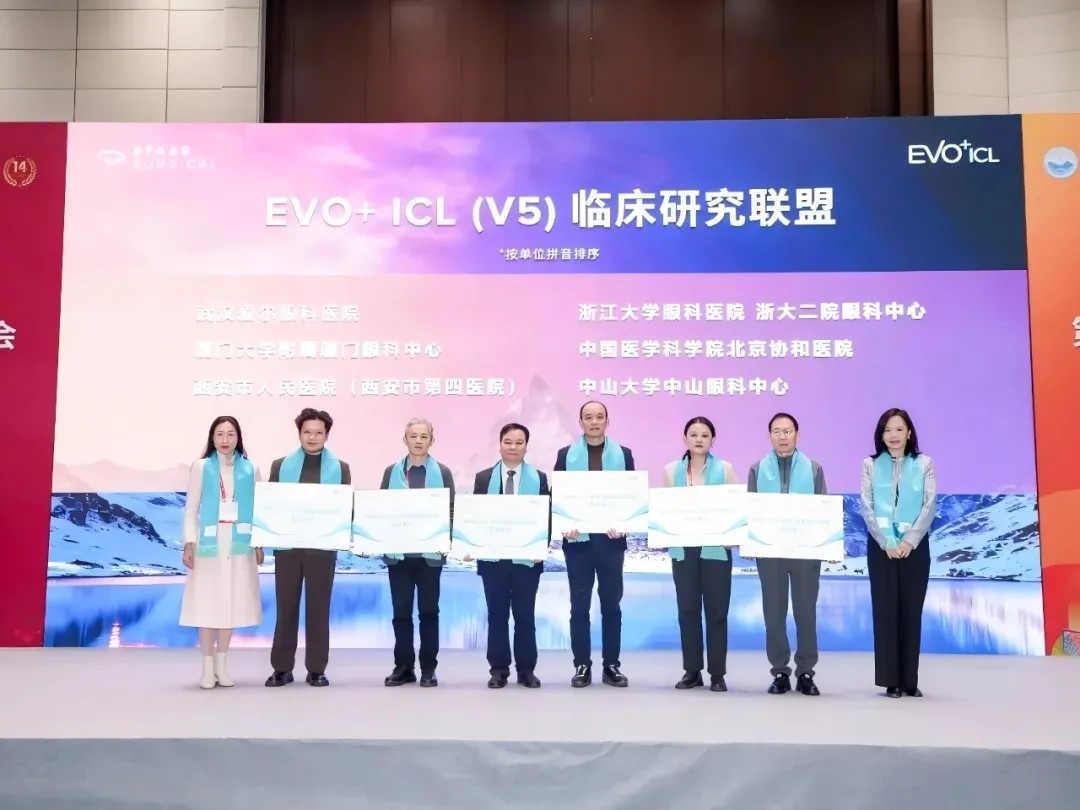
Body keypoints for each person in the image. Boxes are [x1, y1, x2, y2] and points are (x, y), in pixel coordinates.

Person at [264, 408, 352, 688]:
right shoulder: (280, 466)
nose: (312, 437)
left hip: (322, 550)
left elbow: (344, 509)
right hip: (288, 549)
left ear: (327, 435)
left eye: (318, 433)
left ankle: (316, 669)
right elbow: (271, 506)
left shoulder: (341, 468)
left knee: (318, 609)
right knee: (286, 608)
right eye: (307, 432)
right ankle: (281, 668)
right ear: (299, 433)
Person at [747, 412, 830, 696]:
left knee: (806, 612)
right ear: (769, 435)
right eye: (777, 431)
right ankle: (780, 671)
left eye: (788, 431)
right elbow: (751, 509)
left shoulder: (814, 469)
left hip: (805, 552)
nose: (782, 437)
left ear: (797, 434)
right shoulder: (757, 469)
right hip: (770, 552)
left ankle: (806, 671)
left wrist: (828, 545)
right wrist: (751, 541)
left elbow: (823, 510)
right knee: (773, 613)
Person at [554, 400, 635, 688]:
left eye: (599, 417)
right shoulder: (565, 455)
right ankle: (581, 665)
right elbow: (558, 496)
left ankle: (611, 665)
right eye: (588, 417)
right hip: (579, 543)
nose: (594, 422)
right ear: (580, 422)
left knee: (611, 606)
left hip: (611, 543)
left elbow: (631, 496)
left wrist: (624, 523)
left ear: (607, 421)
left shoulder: (624, 455)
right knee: (579, 607)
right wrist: (566, 523)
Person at [180, 416, 264, 689]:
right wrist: (189, 542)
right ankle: (207, 668)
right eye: (220, 434)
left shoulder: (251, 468)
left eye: (230, 434)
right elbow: (191, 508)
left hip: (239, 545)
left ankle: (222, 667)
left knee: (231, 603)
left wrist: (259, 543)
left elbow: (259, 509)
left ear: (238, 438)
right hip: (209, 545)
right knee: (207, 603)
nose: (225, 440)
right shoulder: (201, 467)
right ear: (212, 438)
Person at [860, 407, 936, 698]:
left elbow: (929, 505)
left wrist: (909, 540)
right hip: (882, 549)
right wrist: (886, 541)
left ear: (909, 433)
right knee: (885, 612)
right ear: (881, 435)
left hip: (914, 548)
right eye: (887, 430)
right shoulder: (870, 465)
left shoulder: (924, 463)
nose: (893, 435)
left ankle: (909, 680)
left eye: (899, 429)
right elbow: (867, 506)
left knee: (911, 613)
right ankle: (891, 680)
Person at [661, 416, 737, 692]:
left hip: (716, 550)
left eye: (704, 435)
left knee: (717, 612)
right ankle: (692, 671)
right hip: (684, 550)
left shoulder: (726, 469)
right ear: (685, 438)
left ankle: (717, 673)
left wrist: (731, 535)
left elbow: (735, 509)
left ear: (712, 440)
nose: (699, 439)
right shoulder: (671, 471)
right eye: (693, 434)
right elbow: (664, 510)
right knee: (688, 611)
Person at [471, 423, 549, 689]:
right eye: (508, 442)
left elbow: (545, 517)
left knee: (525, 617)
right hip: (493, 561)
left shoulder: (539, 478)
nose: (513, 447)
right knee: (497, 616)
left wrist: (540, 547)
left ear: (526, 446)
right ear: (499, 444)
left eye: (519, 442)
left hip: (527, 560)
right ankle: (498, 670)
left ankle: (526, 670)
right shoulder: (483, 478)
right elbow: (476, 517)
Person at [380, 418, 456, 688]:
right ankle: (403, 667)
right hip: (398, 556)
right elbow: (381, 508)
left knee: (429, 613)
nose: (418, 441)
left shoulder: (442, 472)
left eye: (424, 436)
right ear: (405, 440)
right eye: (413, 436)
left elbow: (451, 510)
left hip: (429, 558)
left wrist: (444, 538)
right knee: (401, 614)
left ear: (432, 440)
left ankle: (428, 668)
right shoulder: (391, 472)